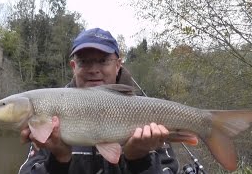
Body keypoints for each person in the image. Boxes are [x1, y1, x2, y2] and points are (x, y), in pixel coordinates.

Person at [18, 28, 180, 174]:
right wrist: (59, 160)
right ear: (74, 66)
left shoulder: (146, 111)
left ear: (117, 65)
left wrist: (138, 160)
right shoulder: (51, 111)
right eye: (84, 62)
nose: (94, 70)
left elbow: (168, 170)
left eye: (103, 61)